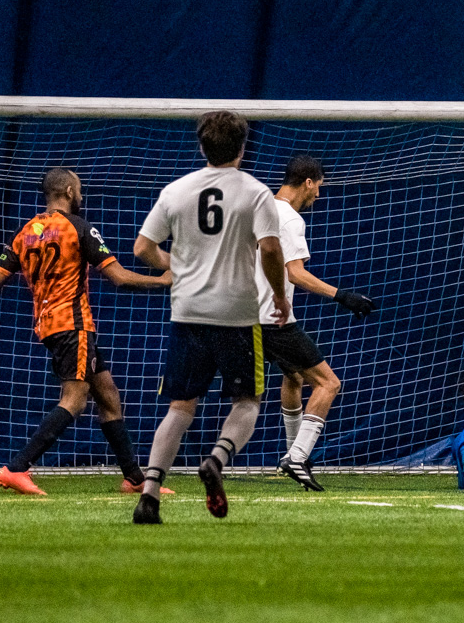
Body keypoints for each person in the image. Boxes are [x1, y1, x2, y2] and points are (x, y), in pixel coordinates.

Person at [0, 168, 172, 496]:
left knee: (107, 394)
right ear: (69, 190)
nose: (81, 195)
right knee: (75, 400)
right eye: (79, 189)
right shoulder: (79, 228)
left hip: (49, 325)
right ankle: (17, 467)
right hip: (73, 325)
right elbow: (119, 278)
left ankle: (134, 478)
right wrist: (162, 281)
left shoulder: (24, 232)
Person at [130, 111, 290, 524]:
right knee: (248, 399)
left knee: (181, 406)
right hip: (236, 313)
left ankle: (149, 494)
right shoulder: (256, 193)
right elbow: (271, 250)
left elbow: (142, 248)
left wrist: (174, 265)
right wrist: (277, 294)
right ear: (242, 147)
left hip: (187, 312)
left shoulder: (177, 190)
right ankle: (217, 460)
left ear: (202, 146)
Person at [254, 154, 375, 492]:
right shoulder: (290, 219)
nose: (319, 194)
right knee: (328, 384)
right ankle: (297, 457)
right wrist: (342, 296)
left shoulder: (259, 206)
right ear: (308, 182)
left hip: (244, 317)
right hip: (274, 319)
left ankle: (294, 456)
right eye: (319, 186)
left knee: (292, 377)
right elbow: (295, 273)